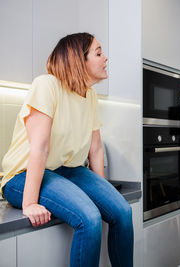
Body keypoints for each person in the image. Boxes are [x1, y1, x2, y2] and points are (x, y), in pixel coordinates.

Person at [1, 33, 133, 267]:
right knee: (89, 218)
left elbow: (95, 149)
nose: (106, 58)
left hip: (67, 171)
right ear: (78, 59)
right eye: (99, 53)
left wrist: (102, 191)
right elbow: (39, 148)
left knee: (122, 212)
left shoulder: (89, 95)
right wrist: (30, 203)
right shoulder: (46, 85)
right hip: (22, 176)